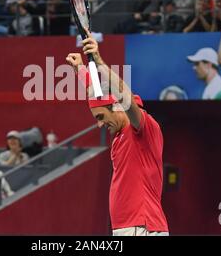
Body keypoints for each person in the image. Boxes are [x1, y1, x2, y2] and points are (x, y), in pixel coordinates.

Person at [66, 28, 169, 236]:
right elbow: (99, 94)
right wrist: (80, 69)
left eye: (101, 118)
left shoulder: (142, 128)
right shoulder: (120, 131)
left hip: (142, 228)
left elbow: (125, 99)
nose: (100, 125)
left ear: (116, 107)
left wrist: (99, 61)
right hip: (129, 228)